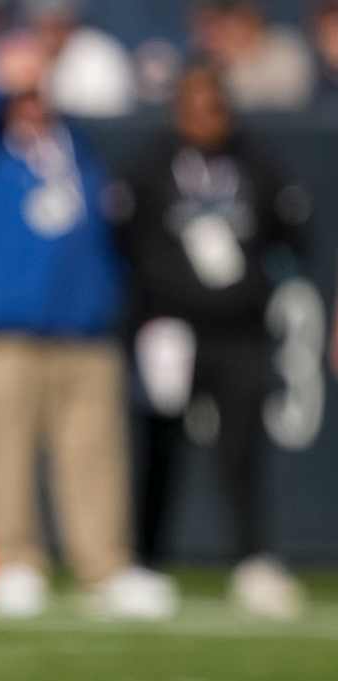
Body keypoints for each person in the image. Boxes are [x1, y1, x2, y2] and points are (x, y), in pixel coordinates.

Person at [0, 37, 176, 619]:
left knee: (95, 456)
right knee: (8, 452)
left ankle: (104, 564)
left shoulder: (80, 151)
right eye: (22, 96)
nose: (32, 104)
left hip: (85, 332)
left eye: (37, 93)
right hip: (12, 332)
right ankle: (16, 561)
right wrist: (1, 83)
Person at [114, 62, 312, 617]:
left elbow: (296, 233)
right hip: (172, 330)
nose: (204, 117)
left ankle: (253, 560)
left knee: (242, 448)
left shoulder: (256, 164)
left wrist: (264, 287)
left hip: (240, 331)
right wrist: (147, 318)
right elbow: (125, 244)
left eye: (214, 105)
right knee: (160, 446)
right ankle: (145, 561)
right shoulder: (152, 167)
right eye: (194, 105)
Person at [193, 0, 315, 111]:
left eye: (238, 20)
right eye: (226, 22)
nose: (232, 29)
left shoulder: (286, 45)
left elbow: (294, 99)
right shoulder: (213, 62)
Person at [21, 0, 135, 117]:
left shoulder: (99, 55)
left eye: (55, 24)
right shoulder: (30, 50)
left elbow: (108, 110)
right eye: (41, 25)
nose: (47, 34)